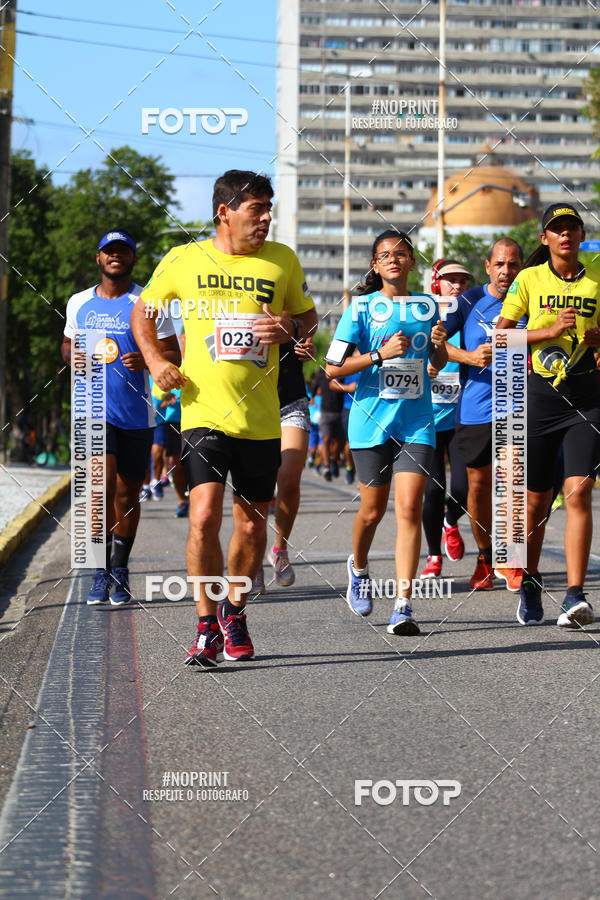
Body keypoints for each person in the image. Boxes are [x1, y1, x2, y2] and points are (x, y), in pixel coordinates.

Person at [131, 170, 317, 666]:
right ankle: (204, 623)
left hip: (261, 418)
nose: (265, 218)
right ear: (224, 212)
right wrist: (155, 362)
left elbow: (308, 315)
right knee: (204, 516)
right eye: (256, 209)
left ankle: (235, 610)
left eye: (267, 209)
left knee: (253, 529)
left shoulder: (282, 261)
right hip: (202, 411)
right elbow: (142, 313)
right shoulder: (183, 260)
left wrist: (291, 327)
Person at [325, 229, 447, 635]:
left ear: (412, 261)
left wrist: (440, 345)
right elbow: (332, 369)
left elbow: (438, 360)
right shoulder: (360, 309)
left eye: (400, 253)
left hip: (417, 421)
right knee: (373, 512)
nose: (393, 259)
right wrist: (379, 354)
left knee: (409, 510)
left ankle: (404, 605)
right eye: (384, 255)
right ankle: (358, 567)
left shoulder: (428, 306)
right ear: (375, 265)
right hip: (370, 420)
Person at [61, 230, 180, 605]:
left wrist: (147, 359)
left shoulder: (146, 301)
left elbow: (172, 352)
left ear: (132, 259)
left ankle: (120, 568)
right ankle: (99, 572)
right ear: (99, 258)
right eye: (108, 251)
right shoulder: (78, 302)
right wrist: (72, 357)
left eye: (123, 251)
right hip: (90, 409)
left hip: (136, 415)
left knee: (128, 495)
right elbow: (66, 344)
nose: (115, 256)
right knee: (100, 491)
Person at [497, 203, 600, 627]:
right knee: (536, 501)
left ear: (580, 235)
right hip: (539, 395)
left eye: (572, 229)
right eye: (557, 230)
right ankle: (531, 581)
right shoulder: (529, 278)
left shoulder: (596, 275)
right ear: (544, 239)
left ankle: (575, 595)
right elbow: (502, 336)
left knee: (578, 490)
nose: (565, 236)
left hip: (587, 394)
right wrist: (549, 331)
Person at [443, 238, 525, 592]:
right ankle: (486, 556)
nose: (507, 271)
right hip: (474, 406)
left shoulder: (531, 300)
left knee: (512, 482)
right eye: (500, 265)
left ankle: (512, 557)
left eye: (513, 265)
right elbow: (434, 342)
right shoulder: (468, 300)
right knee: (477, 487)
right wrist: (469, 358)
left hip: (518, 406)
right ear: (489, 266)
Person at [420, 260, 472, 578]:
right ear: (435, 284)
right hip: (426, 417)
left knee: (465, 488)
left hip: (461, 415)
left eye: (462, 281)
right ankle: (433, 555)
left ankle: (450, 521)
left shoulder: (471, 315)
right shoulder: (420, 316)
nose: (457, 286)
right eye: (450, 280)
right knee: (433, 490)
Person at [253, 336, 315, 593]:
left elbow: (309, 327)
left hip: (291, 402)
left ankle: (279, 548)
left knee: (289, 481)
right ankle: (252, 557)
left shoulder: (293, 304)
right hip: (251, 403)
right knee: (256, 487)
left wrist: (309, 346)